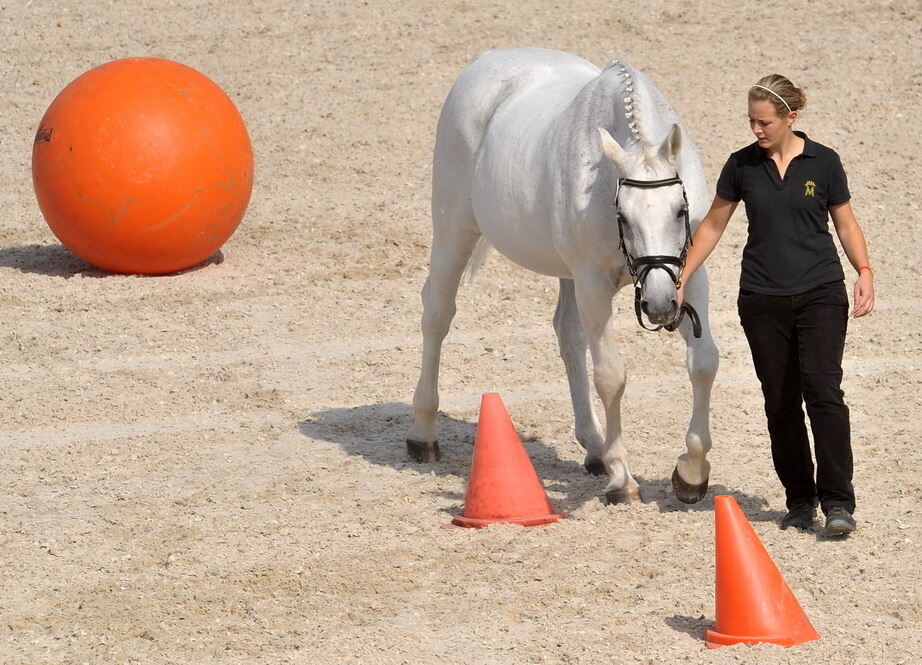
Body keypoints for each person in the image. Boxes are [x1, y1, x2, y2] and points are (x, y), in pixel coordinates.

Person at [677, 74, 875, 537]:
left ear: (791, 117)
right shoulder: (741, 165)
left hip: (821, 292)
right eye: (751, 120)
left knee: (824, 393)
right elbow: (712, 226)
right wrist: (681, 276)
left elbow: (845, 224)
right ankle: (800, 501)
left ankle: (838, 501)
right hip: (761, 298)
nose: (756, 130)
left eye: (764, 121)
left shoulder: (824, 162)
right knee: (780, 401)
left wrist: (864, 272)